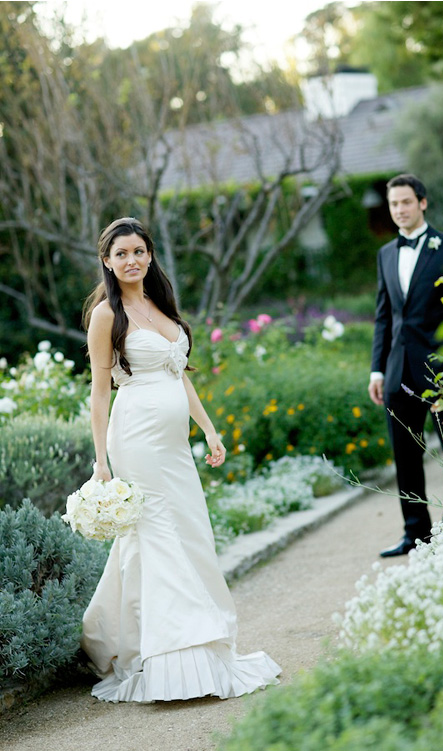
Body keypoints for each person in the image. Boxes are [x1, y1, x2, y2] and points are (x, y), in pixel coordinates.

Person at [81, 217, 281, 702]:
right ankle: (176, 658)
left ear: (150, 255)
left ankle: (173, 641)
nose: (133, 260)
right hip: (136, 440)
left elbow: (179, 374)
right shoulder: (107, 315)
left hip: (173, 447)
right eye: (122, 253)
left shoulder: (157, 305)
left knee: (188, 533)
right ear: (107, 260)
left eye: (140, 251)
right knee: (161, 536)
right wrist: (101, 461)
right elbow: (99, 390)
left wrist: (209, 428)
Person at [369, 174, 443, 558]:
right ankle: (415, 532)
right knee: (405, 455)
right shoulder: (385, 255)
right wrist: (377, 370)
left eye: (406, 203)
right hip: (398, 372)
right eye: (394, 204)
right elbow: (384, 317)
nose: (399, 210)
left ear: (423, 203)